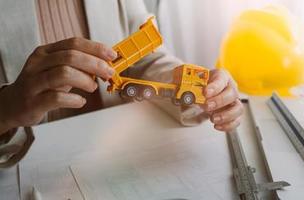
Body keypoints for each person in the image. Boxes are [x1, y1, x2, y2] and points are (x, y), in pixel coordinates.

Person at [0, 0, 243, 165]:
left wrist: (196, 88)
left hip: (115, 157)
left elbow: (146, 61)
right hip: (27, 169)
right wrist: (6, 108)